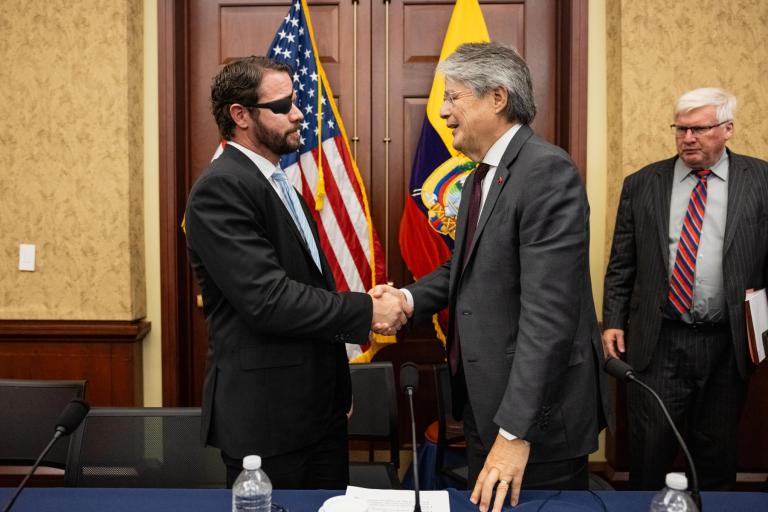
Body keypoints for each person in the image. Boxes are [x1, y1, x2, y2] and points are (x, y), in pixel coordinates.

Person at [373, 42, 607, 512]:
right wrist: (407, 300)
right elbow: (464, 268)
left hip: (533, 420)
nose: (442, 112)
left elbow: (549, 317)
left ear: (497, 98)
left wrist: (516, 432)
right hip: (486, 406)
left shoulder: (545, 171)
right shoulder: (484, 175)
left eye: (453, 97)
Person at [184, 56, 408, 490]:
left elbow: (309, 290)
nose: (299, 112)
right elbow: (270, 300)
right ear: (240, 115)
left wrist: (335, 387)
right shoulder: (222, 188)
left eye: (296, 101)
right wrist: (369, 310)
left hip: (318, 412)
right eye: (283, 104)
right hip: (269, 421)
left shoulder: (278, 182)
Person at [602, 87, 768, 490]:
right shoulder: (643, 183)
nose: (687, 138)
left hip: (727, 343)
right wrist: (613, 320)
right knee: (649, 451)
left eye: (699, 129)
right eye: (681, 129)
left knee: (716, 453)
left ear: (727, 129)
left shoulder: (761, 180)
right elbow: (622, 262)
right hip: (659, 340)